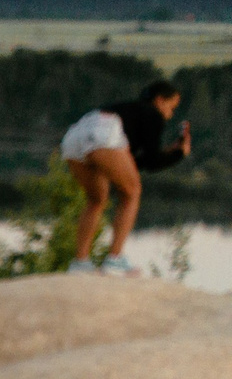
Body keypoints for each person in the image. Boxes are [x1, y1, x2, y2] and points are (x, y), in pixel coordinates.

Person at [59, 79, 192, 277]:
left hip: (76, 134)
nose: (170, 114)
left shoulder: (129, 111)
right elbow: (152, 161)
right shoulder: (152, 115)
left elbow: (129, 165)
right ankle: (114, 259)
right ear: (159, 100)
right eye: (171, 107)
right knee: (132, 193)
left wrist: (169, 152)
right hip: (105, 134)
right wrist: (178, 154)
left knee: (97, 199)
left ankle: (80, 263)